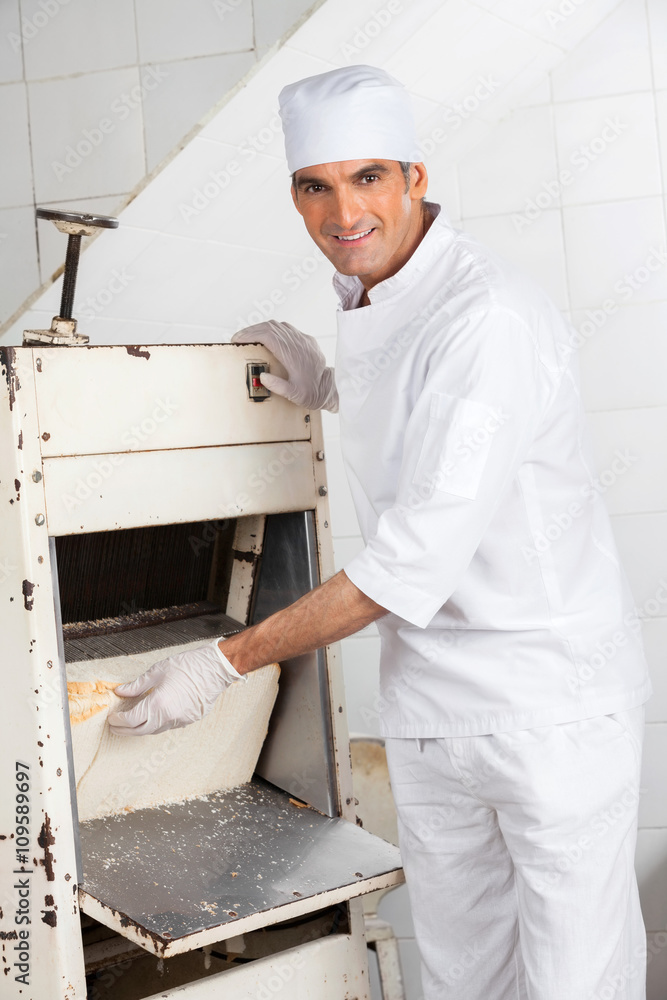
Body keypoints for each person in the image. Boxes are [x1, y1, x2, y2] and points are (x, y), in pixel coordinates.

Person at [109, 65, 652, 999]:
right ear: (294, 195)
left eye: (366, 178)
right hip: (434, 706)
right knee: (461, 976)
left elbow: (404, 566)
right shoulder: (378, 288)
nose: (342, 210)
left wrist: (224, 663)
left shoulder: (486, 317)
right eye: (315, 186)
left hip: (544, 709)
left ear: (414, 176)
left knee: (575, 978)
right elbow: (422, 426)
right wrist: (329, 381)